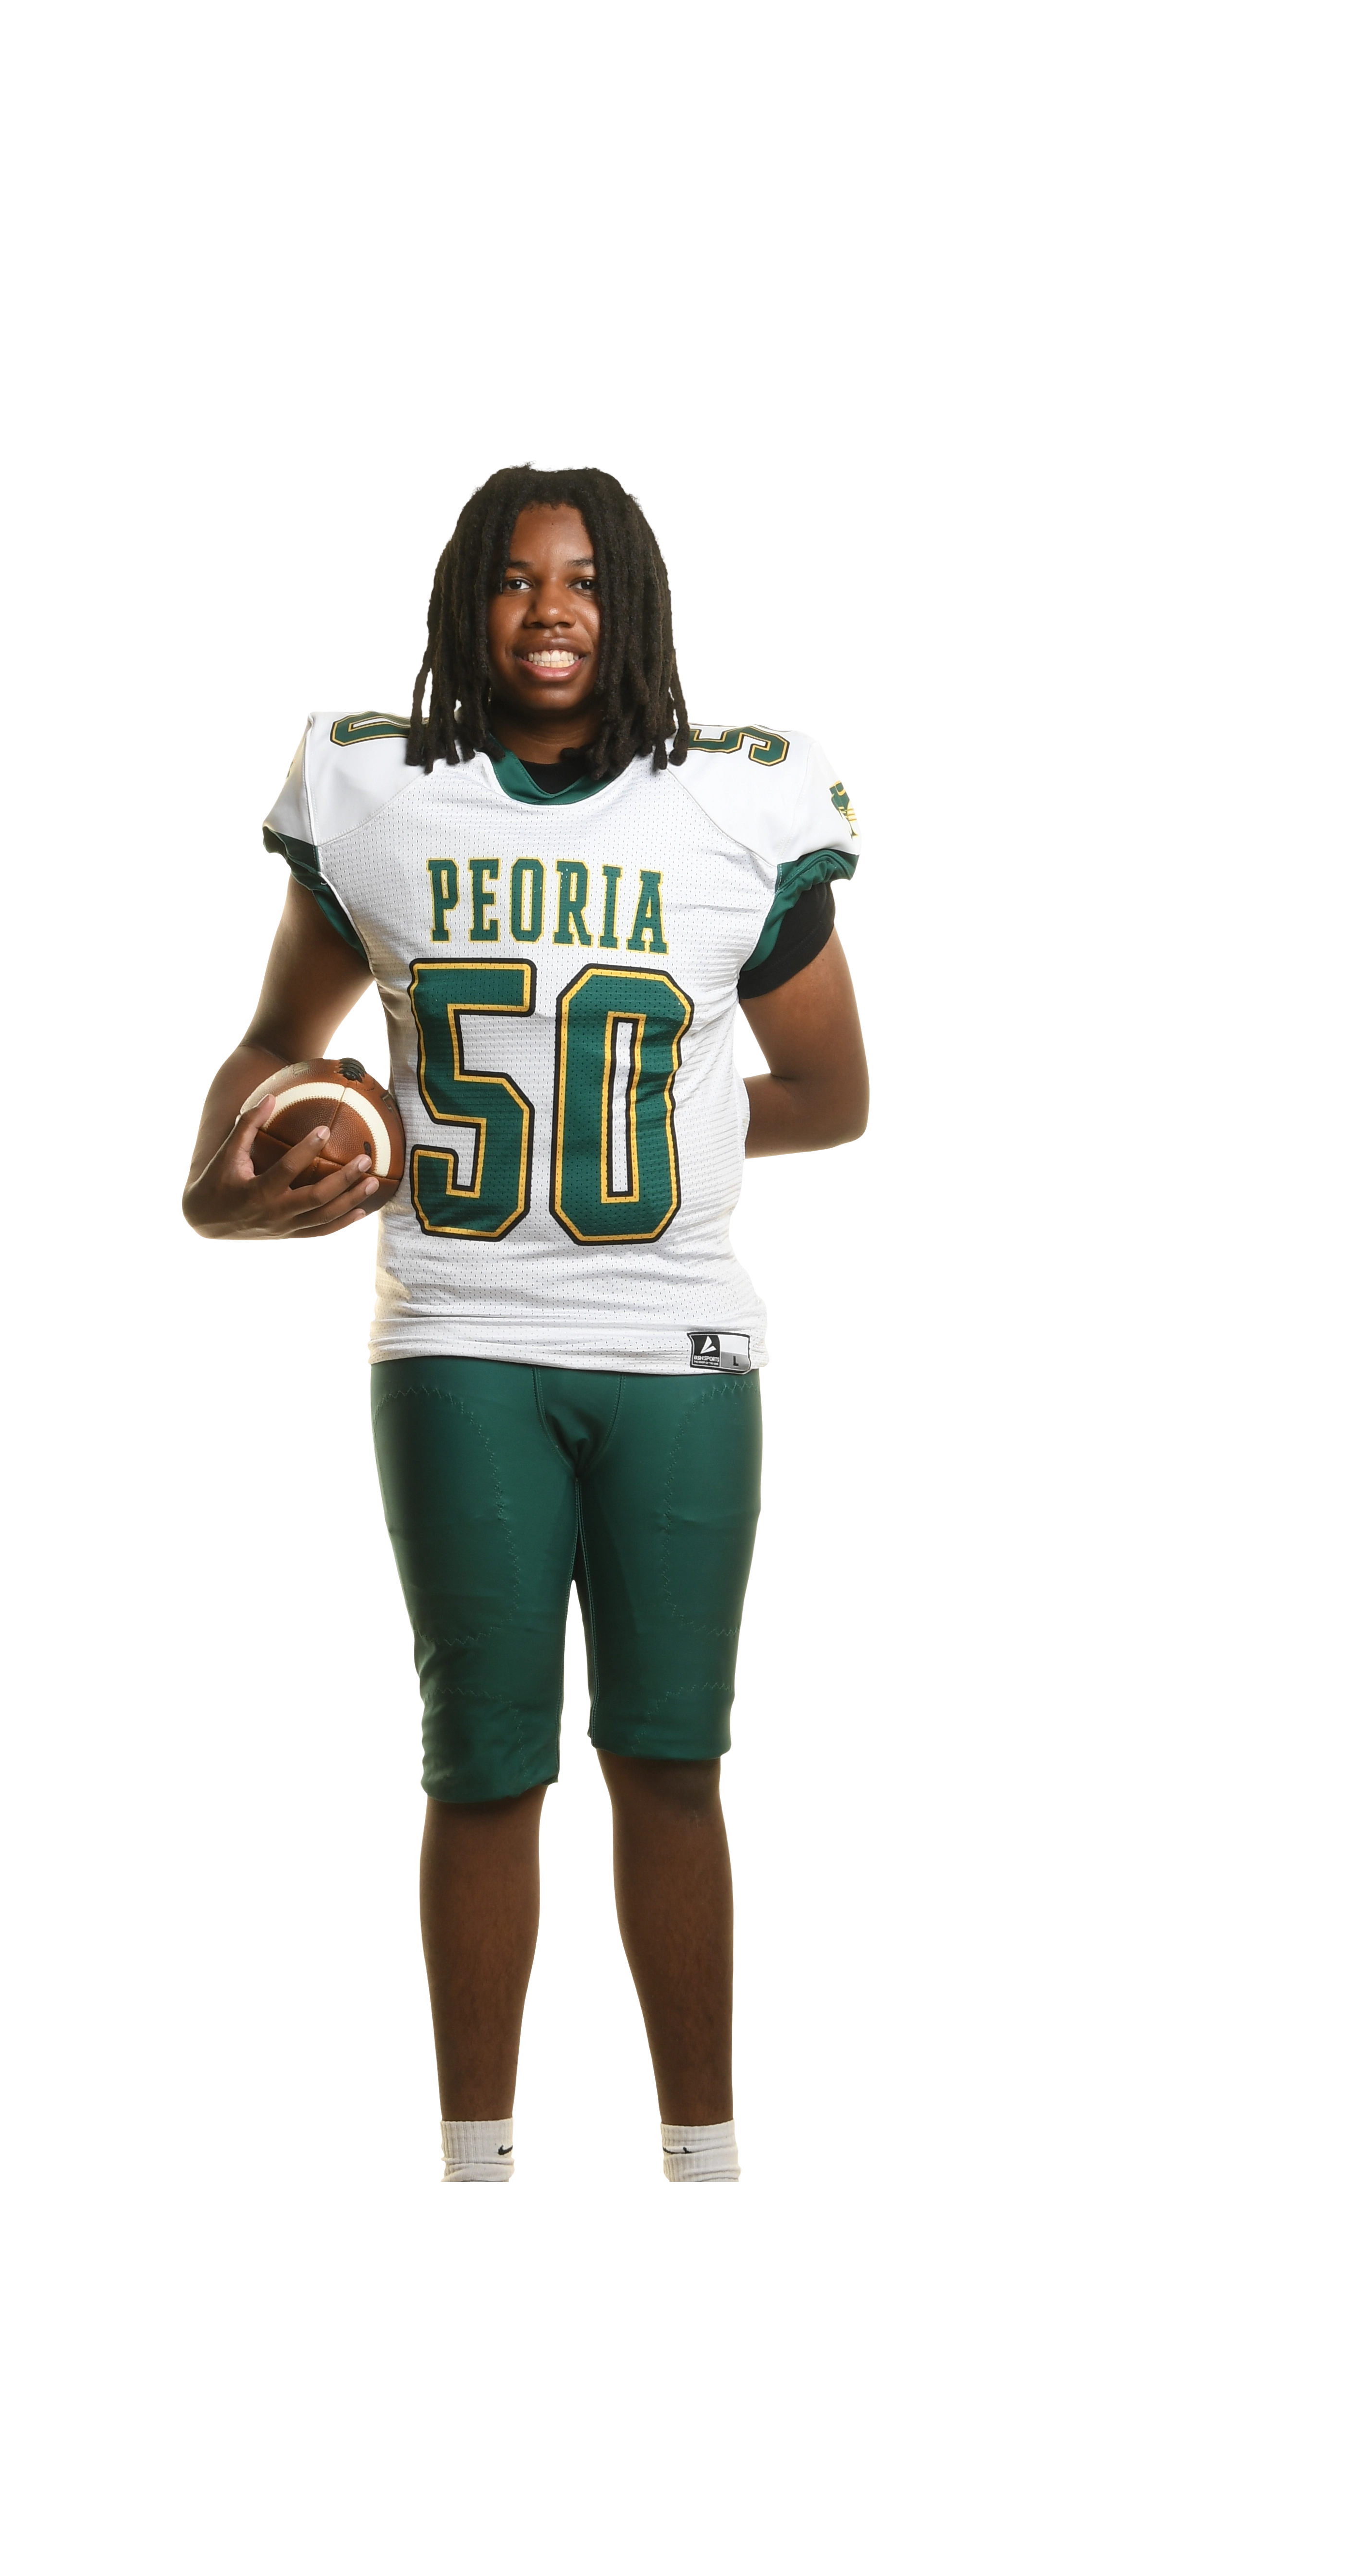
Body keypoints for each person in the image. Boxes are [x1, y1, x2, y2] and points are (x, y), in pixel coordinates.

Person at [182, 459, 868, 2182]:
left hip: (681, 1340)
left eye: (585, 579)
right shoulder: (379, 792)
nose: (551, 610)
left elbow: (833, 1093)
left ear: (637, 603)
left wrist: (625, 1126)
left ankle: (705, 2171)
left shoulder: (736, 805)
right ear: (458, 605)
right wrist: (221, 1186)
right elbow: (272, 1043)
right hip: (457, 1330)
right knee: (482, 1761)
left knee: (672, 1756)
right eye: (511, 578)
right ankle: (473, 2180)